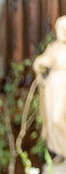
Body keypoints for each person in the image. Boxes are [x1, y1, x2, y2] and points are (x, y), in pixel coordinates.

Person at [34, 16, 66, 161]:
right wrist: (40, 63)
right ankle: (61, 152)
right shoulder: (53, 48)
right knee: (52, 122)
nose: (63, 31)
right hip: (52, 88)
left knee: (57, 118)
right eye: (60, 28)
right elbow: (39, 62)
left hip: (64, 87)